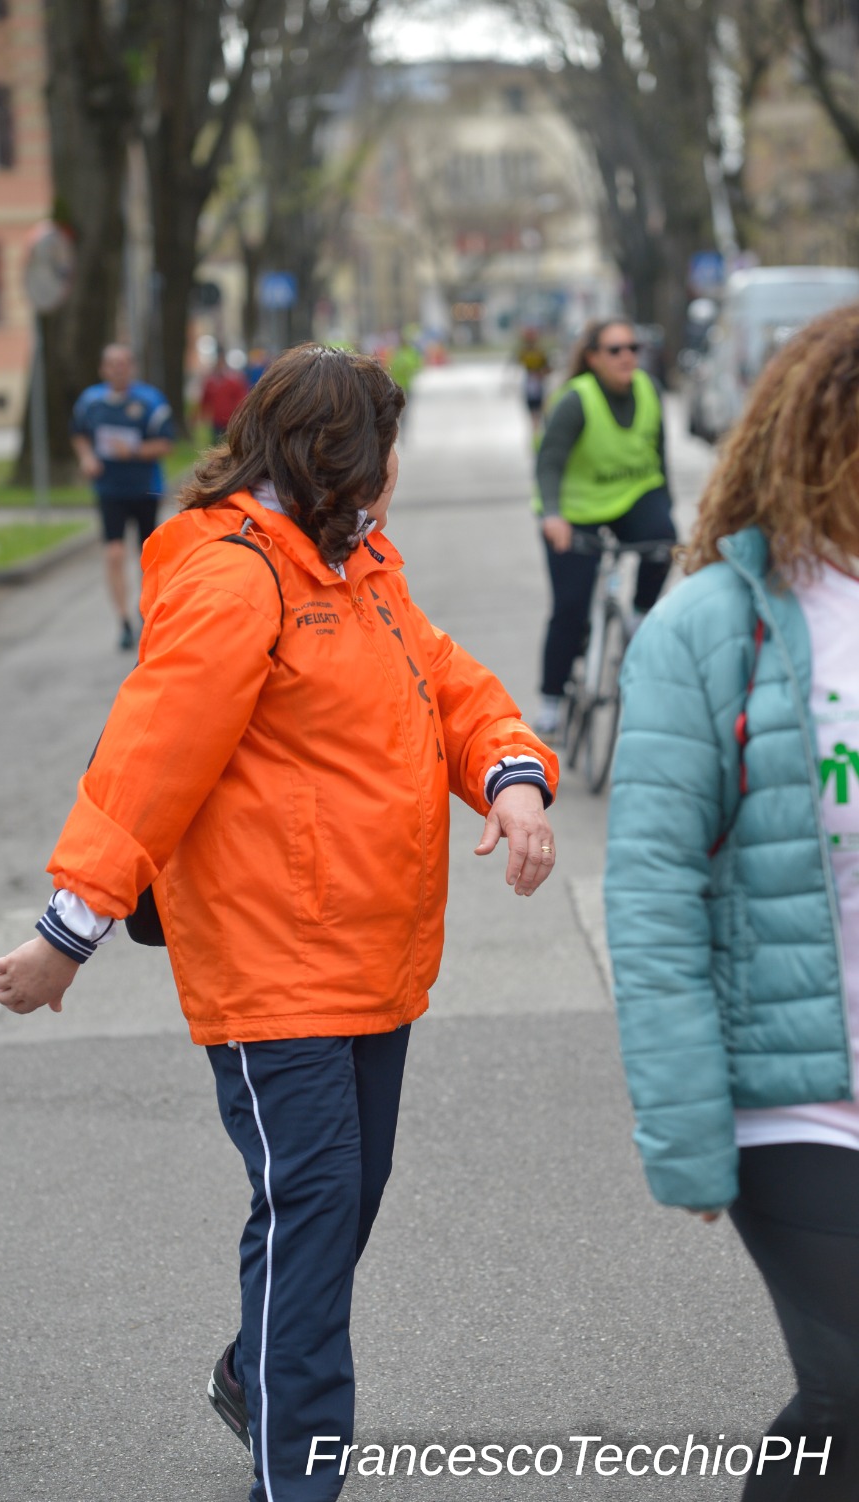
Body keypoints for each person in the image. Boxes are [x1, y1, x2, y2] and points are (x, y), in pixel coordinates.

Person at [0, 344, 559, 1502]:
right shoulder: (236, 576)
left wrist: (510, 776)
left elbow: (450, 690)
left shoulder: (357, 563)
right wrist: (67, 932)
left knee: (331, 1209)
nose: (396, 466)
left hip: (373, 956)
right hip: (274, 963)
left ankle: (254, 1370)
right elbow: (147, 762)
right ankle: (296, 1473)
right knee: (316, 1210)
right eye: (387, 444)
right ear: (343, 454)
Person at [604, 305, 859, 1500]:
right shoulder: (710, 629)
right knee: (848, 1391)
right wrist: (687, 1128)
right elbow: (652, 897)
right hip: (798, 1100)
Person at [533, 317, 677, 737]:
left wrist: (666, 503)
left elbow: (660, 452)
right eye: (615, 349)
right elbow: (549, 462)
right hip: (577, 509)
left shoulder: (649, 389)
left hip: (633, 496)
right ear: (594, 358)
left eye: (633, 347)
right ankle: (551, 702)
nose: (627, 356)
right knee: (570, 608)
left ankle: (637, 615)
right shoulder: (576, 400)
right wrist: (552, 515)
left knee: (664, 541)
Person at [71, 344, 175, 651]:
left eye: (124, 363)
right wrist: (87, 457)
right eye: (112, 363)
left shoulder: (151, 400)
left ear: (132, 367)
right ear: (103, 369)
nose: (118, 369)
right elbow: (79, 434)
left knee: (146, 557)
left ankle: (148, 614)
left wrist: (133, 450)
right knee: (114, 553)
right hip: (109, 490)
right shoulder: (90, 401)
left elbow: (166, 444)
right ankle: (123, 621)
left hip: (145, 488)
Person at [197, 346, 249, 443]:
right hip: (217, 420)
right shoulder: (210, 382)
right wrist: (202, 414)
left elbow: (241, 399)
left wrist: (238, 415)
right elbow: (205, 399)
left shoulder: (234, 381)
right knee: (217, 442)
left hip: (230, 419)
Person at [512, 325, 551, 436]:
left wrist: (540, 373)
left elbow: (548, 368)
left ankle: (538, 435)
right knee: (534, 415)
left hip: (538, 385)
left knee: (540, 413)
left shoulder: (540, 351)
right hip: (530, 385)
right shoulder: (524, 351)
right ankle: (536, 435)